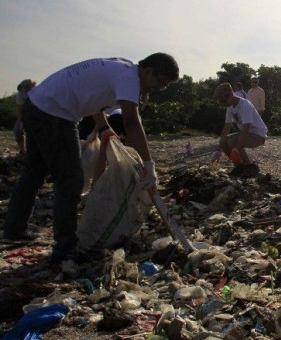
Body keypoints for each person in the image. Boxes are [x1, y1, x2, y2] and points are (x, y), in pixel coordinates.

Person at [3, 54, 179, 263]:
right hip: (55, 113)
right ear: (148, 70)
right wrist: (148, 165)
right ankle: (65, 248)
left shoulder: (121, 67)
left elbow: (94, 98)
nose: (158, 89)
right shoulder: (130, 78)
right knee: (70, 180)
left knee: (34, 171)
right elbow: (131, 121)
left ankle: (14, 229)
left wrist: (104, 127)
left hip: (37, 105)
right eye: (160, 83)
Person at [213, 83, 267, 175]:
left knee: (232, 143)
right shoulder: (230, 107)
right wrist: (219, 150)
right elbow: (226, 128)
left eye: (223, 101)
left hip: (258, 135)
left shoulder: (245, 105)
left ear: (230, 95)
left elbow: (246, 129)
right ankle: (240, 167)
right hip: (246, 133)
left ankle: (248, 167)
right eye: (220, 102)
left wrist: (236, 149)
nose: (222, 104)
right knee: (225, 141)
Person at [13, 79, 36, 156]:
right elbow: (19, 109)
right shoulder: (20, 94)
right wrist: (21, 121)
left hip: (39, 115)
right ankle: (23, 151)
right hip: (25, 114)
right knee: (17, 130)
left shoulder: (38, 92)